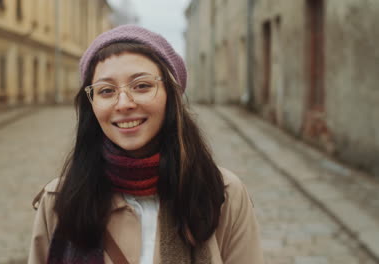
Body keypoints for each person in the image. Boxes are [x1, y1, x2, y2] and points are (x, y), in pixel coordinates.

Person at [28, 25, 264, 264]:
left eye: (141, 85)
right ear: (92, 104)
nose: (123, 104)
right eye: (106, 90)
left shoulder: (222, 195)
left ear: (171, 96)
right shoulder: (60, 200)